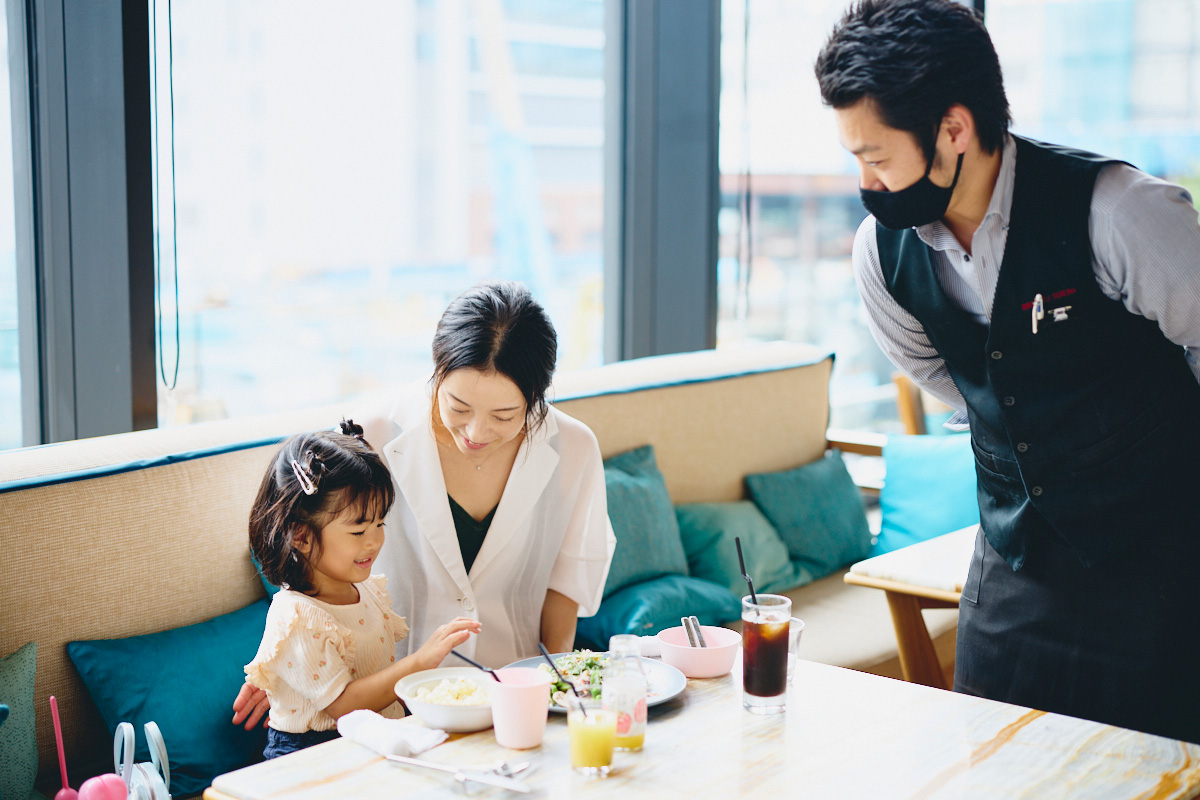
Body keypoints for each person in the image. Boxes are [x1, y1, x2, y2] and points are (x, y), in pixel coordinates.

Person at [815, 0, 1200, 743]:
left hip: (1160, 566)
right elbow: (947, 376)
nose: (865, 179)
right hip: (1013, 570)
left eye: (877, 156)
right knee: (990, 762)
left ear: (953, 129)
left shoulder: (1118, 212)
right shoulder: (880, 251)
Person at [234, 282, 615, 730]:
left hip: (509, 692)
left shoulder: (573, 447)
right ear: (437, 370)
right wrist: (284, 658)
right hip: (392, 702)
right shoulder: (371, 433)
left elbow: (566, 582)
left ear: (537, 398)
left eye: (505, 417)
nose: (475, 432)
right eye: (458, 405)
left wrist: (552, 688)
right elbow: (317, 543)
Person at [244, 420, 481, 757]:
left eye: (380, 523)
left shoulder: (366, 589)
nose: (375, 541)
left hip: (375, 735)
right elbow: (343, 705)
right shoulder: (297, 615)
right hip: (314, 750)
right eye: (357, 531)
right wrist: (421, 662)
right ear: (300, 535)